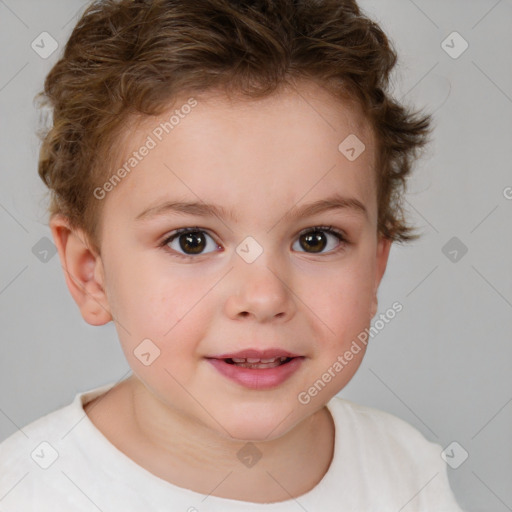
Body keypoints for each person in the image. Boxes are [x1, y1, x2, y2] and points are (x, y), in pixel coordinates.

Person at [0, 0, 465, 510]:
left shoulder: (406, 468)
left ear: (375, 268)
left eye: (316, 239)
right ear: (92, 274)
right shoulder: (26, 492)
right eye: (191, 240)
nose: (263, 297)